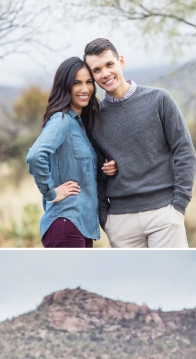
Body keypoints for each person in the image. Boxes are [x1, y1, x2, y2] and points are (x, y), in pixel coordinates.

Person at [83, 38, 196, 248]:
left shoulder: (159, 99)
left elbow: (184, 151)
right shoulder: (93, 119)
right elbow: (94, 173)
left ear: (121, 62)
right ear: (92, 77)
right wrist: (105, 219)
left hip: (164, 215)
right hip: (120, 222)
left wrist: (179, 205)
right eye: (97, 70)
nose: (105, 73)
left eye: (109, 64)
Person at [26, 56, 117, 248]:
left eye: (89, 82)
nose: (85, 89)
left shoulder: (81, 125)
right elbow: (35, 156)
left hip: (81, 225)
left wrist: (105, 170)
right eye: (77, 83)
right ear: (65, 86)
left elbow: (80, 171)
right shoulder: (62, 120)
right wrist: (50, 193)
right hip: (65, 221)